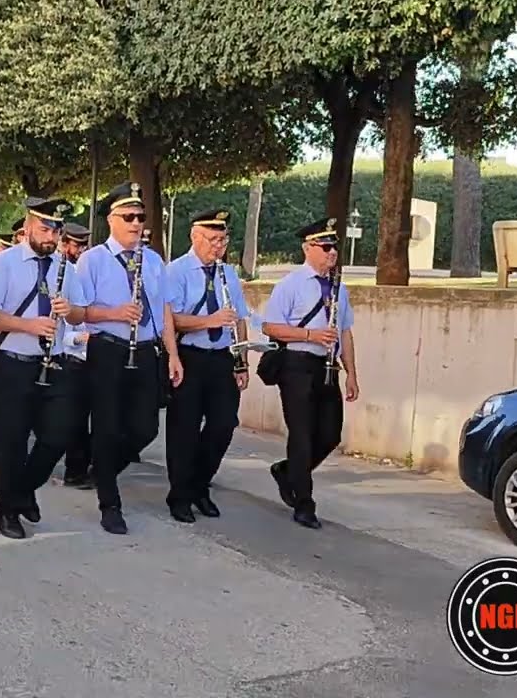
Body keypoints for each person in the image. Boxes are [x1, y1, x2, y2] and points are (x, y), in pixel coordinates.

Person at [72, 181, 183, 534]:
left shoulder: (153, 260)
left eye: (140, 217)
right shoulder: (92, 260)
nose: (136, 223)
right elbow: (78, 312)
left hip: (147, 350)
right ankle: (110, 503)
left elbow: (164, 309)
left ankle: (103, 469)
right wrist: (114, 313)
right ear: (111, 220)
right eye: (129, 217)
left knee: (146, 428)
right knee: (106, 426)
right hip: (108, 348)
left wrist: (173, 354)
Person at [0, 197, 86, 538]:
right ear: (27, 227)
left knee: (58, 434)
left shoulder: (65, 268)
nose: (51, 237)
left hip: (54, 362)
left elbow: (80, 314)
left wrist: (70, 310)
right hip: (11, 362)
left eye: (56, 231)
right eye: (44, 229)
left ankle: (22, 490)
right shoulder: (3, 264)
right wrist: (28, 326)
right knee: (10, 442)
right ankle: (6, 508)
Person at [260, 219, 360, 529]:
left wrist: (352, 373)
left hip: (327, 367)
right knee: (302, 435)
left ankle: (288, 471)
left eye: (334, 247)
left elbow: (345, 332)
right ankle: (304, 503)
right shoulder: (291, 284)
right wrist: (310, 336)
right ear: (308, 249)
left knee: (330, 435)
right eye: (326, 247)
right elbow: (270, 327)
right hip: (297, 364)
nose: (332, 253)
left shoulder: (339, 288)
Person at [164, 209, 251, 522]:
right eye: (213, 239)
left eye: (223, 240)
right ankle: (179, 495)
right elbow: (171, 320)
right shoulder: (177, 271)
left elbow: (239, 318)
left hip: (222, 357)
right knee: (184, 430)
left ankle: (199, 486)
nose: (219, 246)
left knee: (224, 424)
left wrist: (241, 361)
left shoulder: (228, 273)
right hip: (190, 355)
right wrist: (209, 321)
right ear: (195, 237)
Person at [58, 222, 93, 488]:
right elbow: (64, 330)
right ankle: (75, 470)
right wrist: (80, 338)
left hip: (93, 357)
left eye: (83, 245)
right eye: (75, 245)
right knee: (75, 420)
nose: (79, 250)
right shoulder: (62, 273)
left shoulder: (84, 272)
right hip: (71, 357)